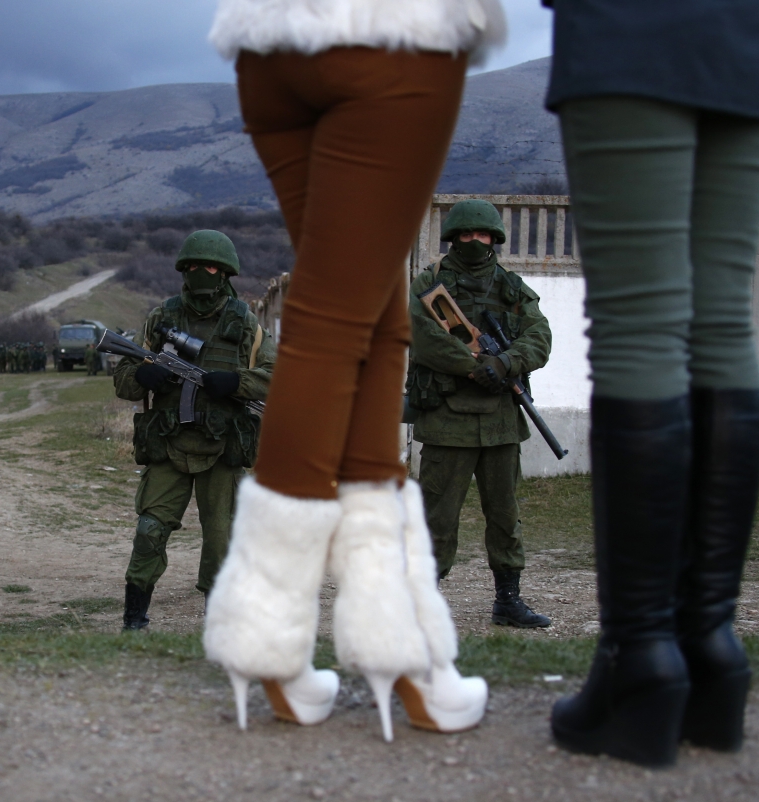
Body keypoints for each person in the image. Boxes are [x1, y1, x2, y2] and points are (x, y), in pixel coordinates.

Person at [202, 0, 501, 741]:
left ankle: (393, 646)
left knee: (376, 319)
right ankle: (273, 629)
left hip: (268, 43)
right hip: (397, 34)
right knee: (338, 322)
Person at [542, 0, 759, 767]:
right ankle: (710, 648)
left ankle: (641, 660)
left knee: (639, 325)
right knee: (722, 318)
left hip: (633, 26)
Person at [112, 230, 275, 631]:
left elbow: (275, 378)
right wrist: (146, 375)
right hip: (168, 442)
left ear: (225, 274)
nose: (202, 273)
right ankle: (134, 619)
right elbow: (124, 379)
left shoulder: (246, 324)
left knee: (221, 541)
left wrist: (235, 383)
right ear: (183, 270)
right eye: (194, 266)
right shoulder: (161, 318)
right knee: (150, 530)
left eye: (211, 267)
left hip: (223, 447)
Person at [409, 200, 552, 629]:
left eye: (482, 235)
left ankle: (508, 601)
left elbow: (539, 336)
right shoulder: (430, 284)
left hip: (501, 421)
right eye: (466, 235)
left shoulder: (511, 287)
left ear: (494, 239)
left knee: (505, 517)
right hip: (447, 419)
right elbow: (424, 338)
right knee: (437, 518)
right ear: (453, 238)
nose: (474, 241)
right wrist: (475, 367)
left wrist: (505, 364)